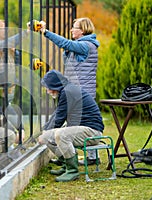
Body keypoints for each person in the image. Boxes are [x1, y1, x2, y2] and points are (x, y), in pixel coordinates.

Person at [37, 18, 100, 165]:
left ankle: (90, 157)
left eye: (74, 27)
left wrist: (45, 32)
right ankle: (70, 156)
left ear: (83, 30)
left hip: (83, 91)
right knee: (73, 123)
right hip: (75, 91)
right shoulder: (79, 46)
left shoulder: (86, 45)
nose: (72, 29)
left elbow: (65, 43)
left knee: (84, 124)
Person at [38, 70, 104, 182]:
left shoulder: (68, 92)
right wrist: (44, 132)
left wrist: (46, 131)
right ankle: (65, 164)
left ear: (55, 84)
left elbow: (59, 118)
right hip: (83, 129)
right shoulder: (66, 90)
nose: (47, 90)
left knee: (60, 134)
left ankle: (72, 171)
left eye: (48, 87)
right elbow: (57, 114)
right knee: (46, 137)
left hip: (92, 131)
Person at [0, 72, 25, 158]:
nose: (13, 89)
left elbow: (11, 113)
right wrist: (15, 133)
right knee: (10, 137)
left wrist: (21, 129)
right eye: (11, 87)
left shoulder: (2, 97)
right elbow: (0, 120)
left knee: (16, 155)